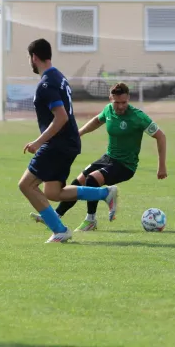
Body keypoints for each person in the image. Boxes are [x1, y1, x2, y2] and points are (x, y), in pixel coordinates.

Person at [18, 38, 118, 243]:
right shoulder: (59, 77)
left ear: (34, 57)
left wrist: (38, 142)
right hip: (68, 142)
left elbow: (61, 116)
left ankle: (60, 230)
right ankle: (104, 193)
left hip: (57, 143)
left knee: (26, 185)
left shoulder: (46, 83)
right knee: (53, 192)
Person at [31, 82, 167, 232]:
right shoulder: (109, 110)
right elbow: (97, 121)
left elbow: (161, 136)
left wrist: (161, 166)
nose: (121, 106)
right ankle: (56, 215)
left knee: (92, 179)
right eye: (117, 102)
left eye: (124, 102)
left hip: (125, 165)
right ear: (110, 98)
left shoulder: (138, 117)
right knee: (78, 182)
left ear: (128, 98)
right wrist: (79, 133)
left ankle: (90, 220)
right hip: (108, 158)